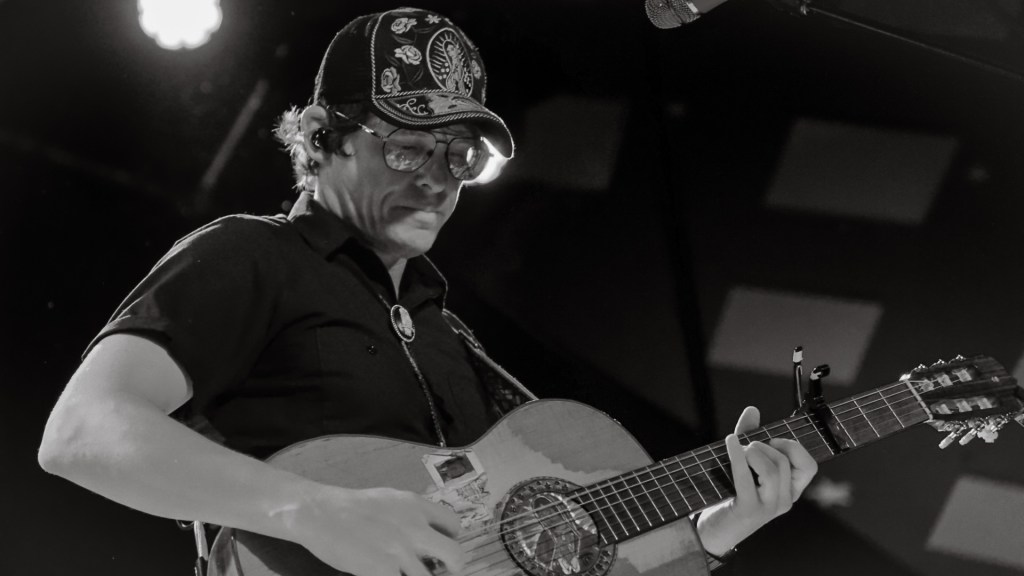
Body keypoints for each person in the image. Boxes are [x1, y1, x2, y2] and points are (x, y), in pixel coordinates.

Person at [38, 7, 817, 576]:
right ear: (322, 138)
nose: (441, 181)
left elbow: (540, 552)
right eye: (409, 148)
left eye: (460, 158)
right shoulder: (251, 254)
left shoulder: (450, 339)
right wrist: (309, 508)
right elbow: (81, 431)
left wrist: (713, 529)